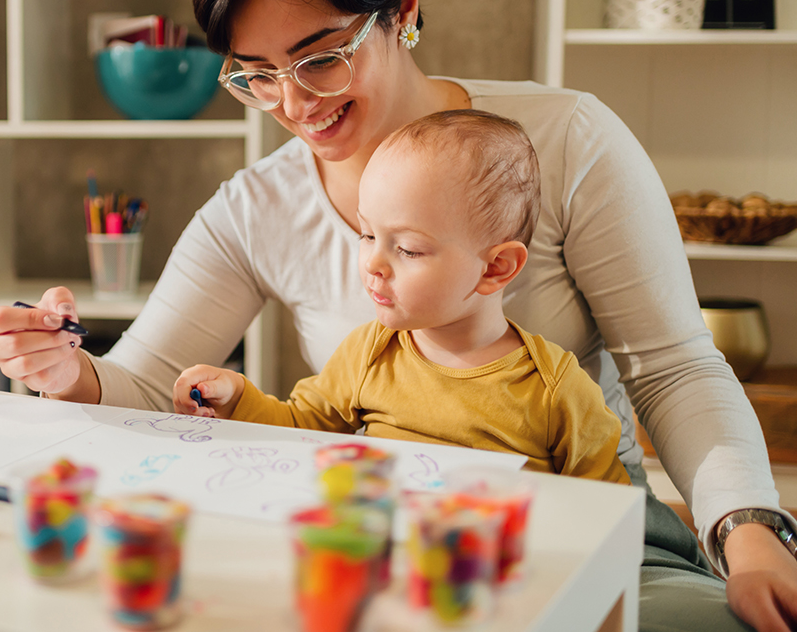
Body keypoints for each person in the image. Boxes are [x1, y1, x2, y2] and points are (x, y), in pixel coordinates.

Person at [0, 0, 797, 632]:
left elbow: (674, 367)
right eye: (257, 73)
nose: (294, 104)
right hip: (382, 547)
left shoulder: (564, 142)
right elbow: (150, 380)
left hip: (583, 529)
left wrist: (749, 531)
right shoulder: (256, 205)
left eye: (322, 59)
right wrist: (68, 373)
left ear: (403, 11)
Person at [172, 109, 631, 486]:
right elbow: (299, 429)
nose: (373, 262)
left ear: (496, 268)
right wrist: (235, 398)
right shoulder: (370, 354)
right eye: (367, 234)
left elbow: (605, 515)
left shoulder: (555, 391)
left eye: (407, 248)